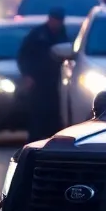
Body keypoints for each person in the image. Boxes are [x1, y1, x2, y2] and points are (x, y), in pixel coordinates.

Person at [18, 8, 70, 141]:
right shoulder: (37, 34)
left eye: (59, 21)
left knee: (55, 115)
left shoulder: (63, 35)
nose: (57, 23)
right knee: (37, 115)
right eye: (55, 20)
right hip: (38, 81)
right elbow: (23, 56)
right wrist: (27, 75)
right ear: (50, 19)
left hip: (57, 82)